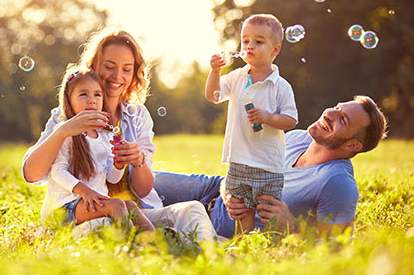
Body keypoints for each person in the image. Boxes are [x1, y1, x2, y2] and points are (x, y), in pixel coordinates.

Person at [23, 29, 217, 241]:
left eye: (127, 69)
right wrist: (62, 131)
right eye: (109, 67)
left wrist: (137, 161)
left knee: (193, 209)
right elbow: (32, 174)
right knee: (108, 225)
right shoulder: (67, 115)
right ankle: (141, 246)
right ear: (93, 67)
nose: (118, 76)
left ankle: (213, 256)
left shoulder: (137, 115)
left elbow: (142, 190)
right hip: (88, 214)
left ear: (134, 73)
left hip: (136, 211)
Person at [153, 95, 387, 238]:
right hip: (212, 189)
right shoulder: (297, 137)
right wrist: (228, 189)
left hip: (219, 225)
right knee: (136, 179)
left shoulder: (338, 183)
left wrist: (292, 226)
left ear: (353, 144)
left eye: (342, 120)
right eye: (337, 107)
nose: (329, 114)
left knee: (136, 217)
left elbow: (337, 250)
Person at [205, 14, 298, 233]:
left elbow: (291, 120)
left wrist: (267, 118)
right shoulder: (237, 77)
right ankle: (245, 243)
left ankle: (274, 243)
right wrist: (215, 71)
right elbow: (213, 95)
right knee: (241, 207)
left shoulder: (280, 86)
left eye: (258, 41)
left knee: (268, 208)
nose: (249, 46)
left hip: (267, 162)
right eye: (245, 41)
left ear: (275, 50)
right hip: (239, 158)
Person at [42, 67, 154, 231]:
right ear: (68, 100)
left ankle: (156, 243)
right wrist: (84, 191)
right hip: (63, 207)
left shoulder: (105, 136)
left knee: (129, 206)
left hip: (91, 203)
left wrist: (118, 164)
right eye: (83, 94)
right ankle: (131, 247)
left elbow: (112, 179)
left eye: (97, 95)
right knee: (116, 205)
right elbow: (57, 171)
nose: (92, 100)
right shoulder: (65, 131)